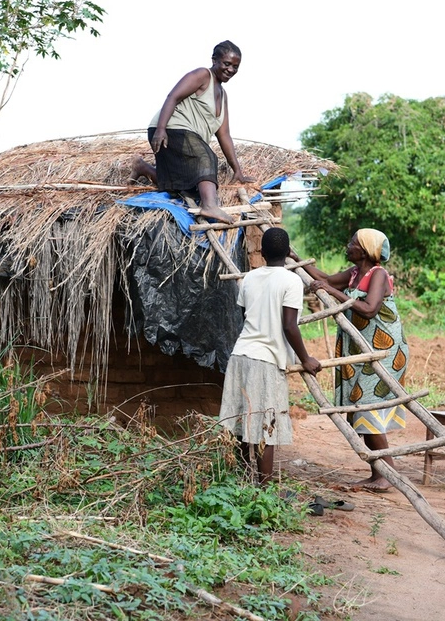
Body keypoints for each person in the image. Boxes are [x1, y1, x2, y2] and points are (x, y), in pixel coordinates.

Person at [304, 229, 409, 492]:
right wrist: (298, 259)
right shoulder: (353, 274)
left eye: (352, 242)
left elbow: (369, 308)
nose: (348, 245)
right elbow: (325, 278)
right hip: (361, 350)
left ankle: (387, 474)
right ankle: (380, 473)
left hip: (383, 350)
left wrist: (333, 291)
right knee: (361, 408)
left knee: (367, 407)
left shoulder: (378, 274)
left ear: (364, 250)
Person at [219, 227, 322, 484]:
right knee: (268, 425)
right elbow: (289, 325)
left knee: (242, 421)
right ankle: (264, 489)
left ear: (261, 252)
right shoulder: (291, 281)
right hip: (266, 361)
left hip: (240, 355)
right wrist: (306, 359)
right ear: (288, 253)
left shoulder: (250, 278)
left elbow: (246, 318)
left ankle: (243, 482)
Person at [130, 40, 255, 224]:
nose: (230, 70)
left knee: (187, 187)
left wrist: (237, 170)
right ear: (214, 60)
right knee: (207, 157)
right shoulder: (203, 75)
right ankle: (210, 206)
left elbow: (224, 134)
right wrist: (161, 128)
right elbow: (173, 96)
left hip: (188, 138)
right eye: (226, 64)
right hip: (171, 128)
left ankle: (143, 167)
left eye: (235, 67)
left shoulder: (224, 95)